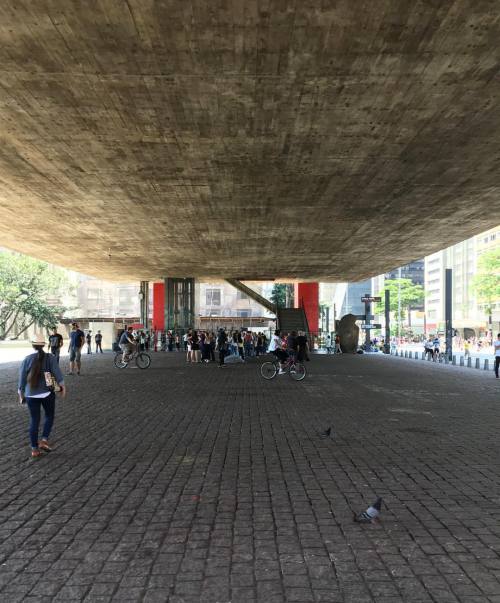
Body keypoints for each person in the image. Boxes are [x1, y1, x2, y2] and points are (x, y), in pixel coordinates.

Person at [18, 334, 66, 458]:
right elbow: (57, 373)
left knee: (34, 420)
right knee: (49, 416)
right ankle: (44, 440)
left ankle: (34, 449)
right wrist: (63, 387)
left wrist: (21, 393)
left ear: (33, 345)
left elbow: (22, 379)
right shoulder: (50, 357)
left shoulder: (27, 359)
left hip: (30, 395)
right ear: (44, 344)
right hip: (47, 393)